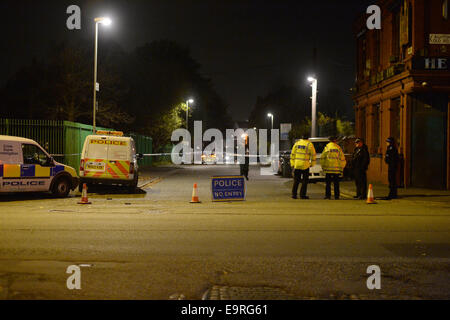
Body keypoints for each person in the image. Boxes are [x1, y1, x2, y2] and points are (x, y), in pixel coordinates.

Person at [290, 134, 316, 199]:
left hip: (297, 165)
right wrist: (312, 164)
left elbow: (292, 154)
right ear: (308, 138)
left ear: (301, 137)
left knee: (296, 180)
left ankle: (294, 194)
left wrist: (292, 164)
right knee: (304, 181)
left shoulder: (297, 144)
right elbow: (313, 155)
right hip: (305, 165)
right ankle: (302, 195)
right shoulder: (309, 144)